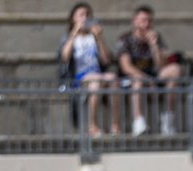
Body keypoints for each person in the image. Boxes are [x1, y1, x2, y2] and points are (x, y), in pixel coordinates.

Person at [115, 5, 185, 136]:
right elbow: (126, 67)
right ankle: (139, 122)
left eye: (148, 20)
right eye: (142, 20)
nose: (145, 24)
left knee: (175, 69)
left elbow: (162, 64)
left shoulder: (156, 38)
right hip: (131, 78)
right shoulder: (125, 39)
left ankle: (168, 119)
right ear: (134, 21)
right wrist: (146, 79)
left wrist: (154, 46)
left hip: (153, 74)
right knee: (138, 81)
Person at [59, 2, 121, 137]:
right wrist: (74, 33)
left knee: (114, 80)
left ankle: (115, 124)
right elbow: (64, 57)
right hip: (80, 78)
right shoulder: (68, 37)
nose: (85, 18)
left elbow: (106, 60)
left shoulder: (94, 37)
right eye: (81, 15)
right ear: (73, 18)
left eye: (87, 15)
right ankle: (92, 126)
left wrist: (99, 38)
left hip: (97, 75)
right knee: (95, 83)